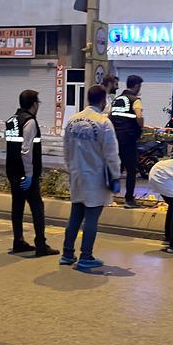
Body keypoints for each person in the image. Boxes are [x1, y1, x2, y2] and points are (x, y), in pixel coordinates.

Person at [59, 85, 122, 269]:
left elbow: (66, 149)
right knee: (91, 217)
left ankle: (67, 254)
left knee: (75, 215)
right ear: (103, 100)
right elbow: (111, 153)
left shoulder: (73, 120)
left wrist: (70, 168)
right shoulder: (103, 122)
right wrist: (115, 176)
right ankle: (86, 256)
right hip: (95, 177)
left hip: (77, 175)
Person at [5, 90, 59, 257]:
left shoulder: (12, 120)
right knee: (37, 208)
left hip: (12, 170)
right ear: (34, 104)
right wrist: (29, 174)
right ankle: (41, 244)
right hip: (25, 173)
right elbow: (26, 150)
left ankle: (18, 241)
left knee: (17, 207)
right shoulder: (29, 122)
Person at [109, 75, 144, 208]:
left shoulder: (117, 99)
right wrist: (141, 126)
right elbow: (139, 116)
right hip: (129, 139)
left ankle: (110, 196)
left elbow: (109, 116)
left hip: (115, 139)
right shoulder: (135, 100)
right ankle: (129, 199)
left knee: (117, 169)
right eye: (139, 86)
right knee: (131, 170)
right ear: (136, 86)